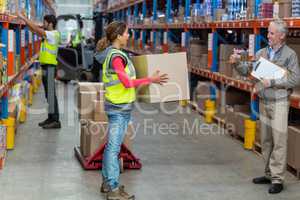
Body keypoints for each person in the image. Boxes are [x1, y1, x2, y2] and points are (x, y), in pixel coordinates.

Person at [97, 21, 168, 200]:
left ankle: (108, 183)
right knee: (113, 149)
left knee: (111, 147)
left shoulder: (116, 54)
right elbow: (127, 83)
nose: (129, 36)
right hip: (118, 108)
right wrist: (150, 80)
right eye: (127, 33)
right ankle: (113, 189)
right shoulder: (116, 57)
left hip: (119, 106)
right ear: (119, 36)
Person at [230, 19, 300, 194]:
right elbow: (249, 70)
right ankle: (268, 174)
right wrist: (237, 63)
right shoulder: (262, 52)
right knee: (266, 140)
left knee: (279, 141)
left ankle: (278, 179)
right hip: (264, 101)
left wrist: (273, 81)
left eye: (271, 33)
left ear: (282, 36)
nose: (267, 35)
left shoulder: (290, 55)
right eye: (268, 32)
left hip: (279, 102)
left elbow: (295, 79)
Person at [18, 13, 61, 129]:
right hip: (46, 67)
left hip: (50, 67)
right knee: (48, 94)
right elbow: (35, 30)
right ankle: (51, 118)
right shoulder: (49, 35)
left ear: (50, 23)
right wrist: (26, 22)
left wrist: (23, 18)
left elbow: (37, 29)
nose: (43, 24)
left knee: (51, 94)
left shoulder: (53, 34)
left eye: (45, 22)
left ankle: (56, 120)